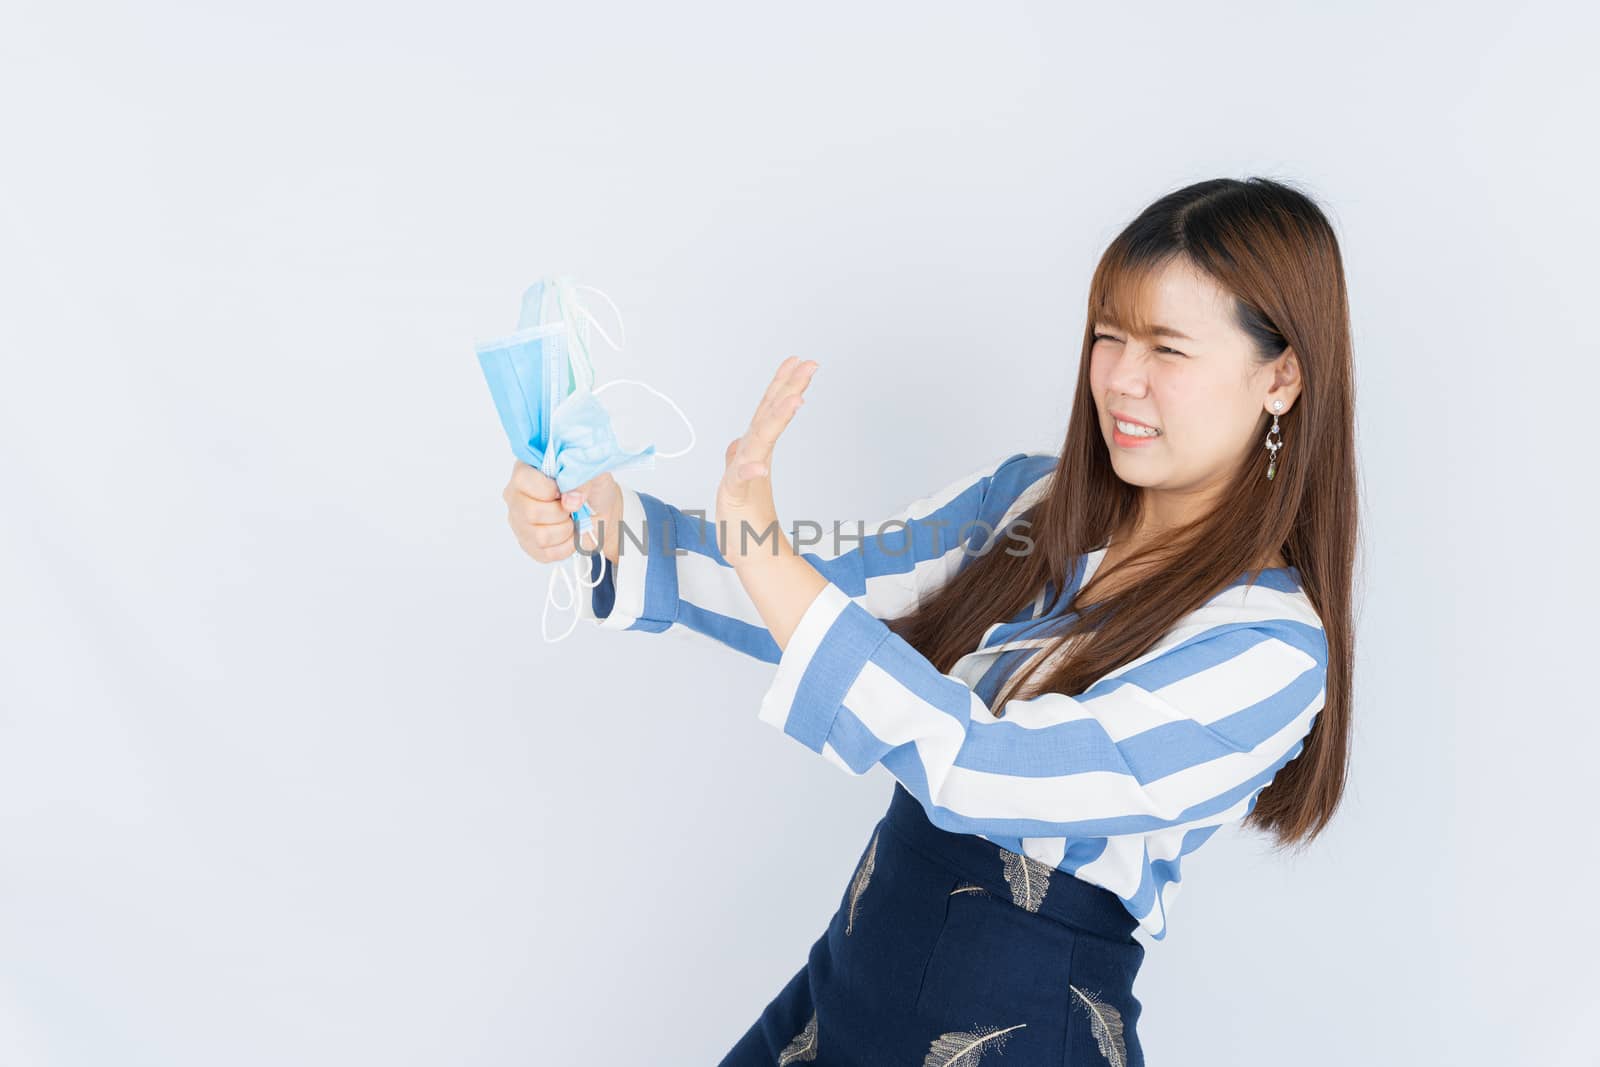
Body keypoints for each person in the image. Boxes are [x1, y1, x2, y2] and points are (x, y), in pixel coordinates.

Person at [501, 176, 1356, 1066]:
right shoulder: (1030, 499)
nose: (1120, 380)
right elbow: (827, 597)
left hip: (1024, 1030)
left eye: (1167, 349)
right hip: (850, 984)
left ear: (1281, 376)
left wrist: (766, 556)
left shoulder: (1270, 648)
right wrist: (605, 518)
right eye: (1108, 335)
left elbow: (995, 766)